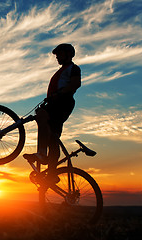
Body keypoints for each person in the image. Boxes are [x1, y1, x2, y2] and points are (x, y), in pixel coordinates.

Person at [23, 43, 81, 183]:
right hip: (56, 102)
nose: (57, 57)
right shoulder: (61, 71)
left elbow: (75, 84)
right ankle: (52, 174)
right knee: (53, 138)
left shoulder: (73, 68)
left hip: (63, 101)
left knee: (42, 116)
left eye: (59, 54)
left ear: (68, 54)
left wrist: (60, 93)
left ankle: (42, 154)